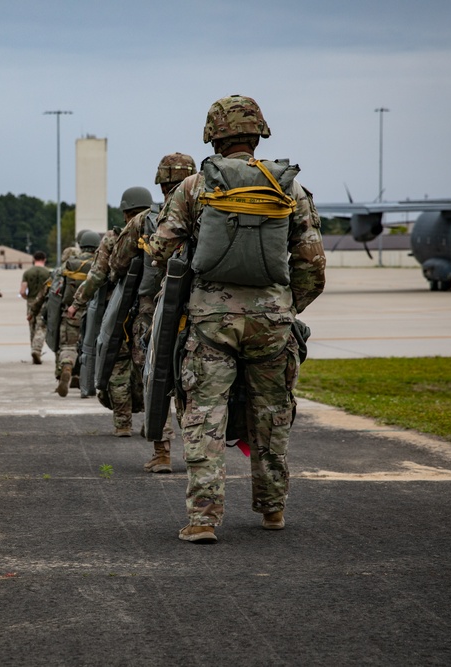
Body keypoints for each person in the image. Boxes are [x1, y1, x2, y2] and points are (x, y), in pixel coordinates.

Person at [146, 96, 326, 543]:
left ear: (213, 135)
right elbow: (313, 266)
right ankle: (272, 509)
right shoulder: (290, 189)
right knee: (272, 413)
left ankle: (203, 518)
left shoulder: (193, 188)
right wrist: (286, 306)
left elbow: (159, 250)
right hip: (272, 322)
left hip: (211, 322)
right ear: (258, 133)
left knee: (205, 414)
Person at [110, 153, 197, 471]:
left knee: (155, 377)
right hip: (198, 309)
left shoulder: (147, 219)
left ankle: (162, 453)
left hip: (154, 311)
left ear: (161, 184)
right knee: (193, 381)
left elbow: (117, 262)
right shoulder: (210, 211)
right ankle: (196, 452)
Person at [69, 189, 151, 435]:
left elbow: (97, 276)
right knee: (150, 368)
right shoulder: (164, 230)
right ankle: (153, 423)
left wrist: (77, 303)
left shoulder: (113, 239)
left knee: (118, 366)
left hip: (118, 314)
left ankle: (123, 424)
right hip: (152, 313)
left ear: (125, 212)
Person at [54, 230, 100, 396]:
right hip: (96, 314)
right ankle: (87, 382)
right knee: (92, 349)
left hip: (72, 313)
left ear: (81, 245)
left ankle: (67, 365)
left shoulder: (69, 264)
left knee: (69, 346)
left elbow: (56, 290)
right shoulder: (100, 263)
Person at [20, 251, 51, 364]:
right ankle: (36, 350)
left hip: (31, 301)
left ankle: (33, 350)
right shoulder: (48, 273)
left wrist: (27, 298)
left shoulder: (27, 272)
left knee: (32, 327)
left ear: (33, 259)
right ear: (44, 259)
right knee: (41, 327)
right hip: (44, 303)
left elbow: (22, 291)